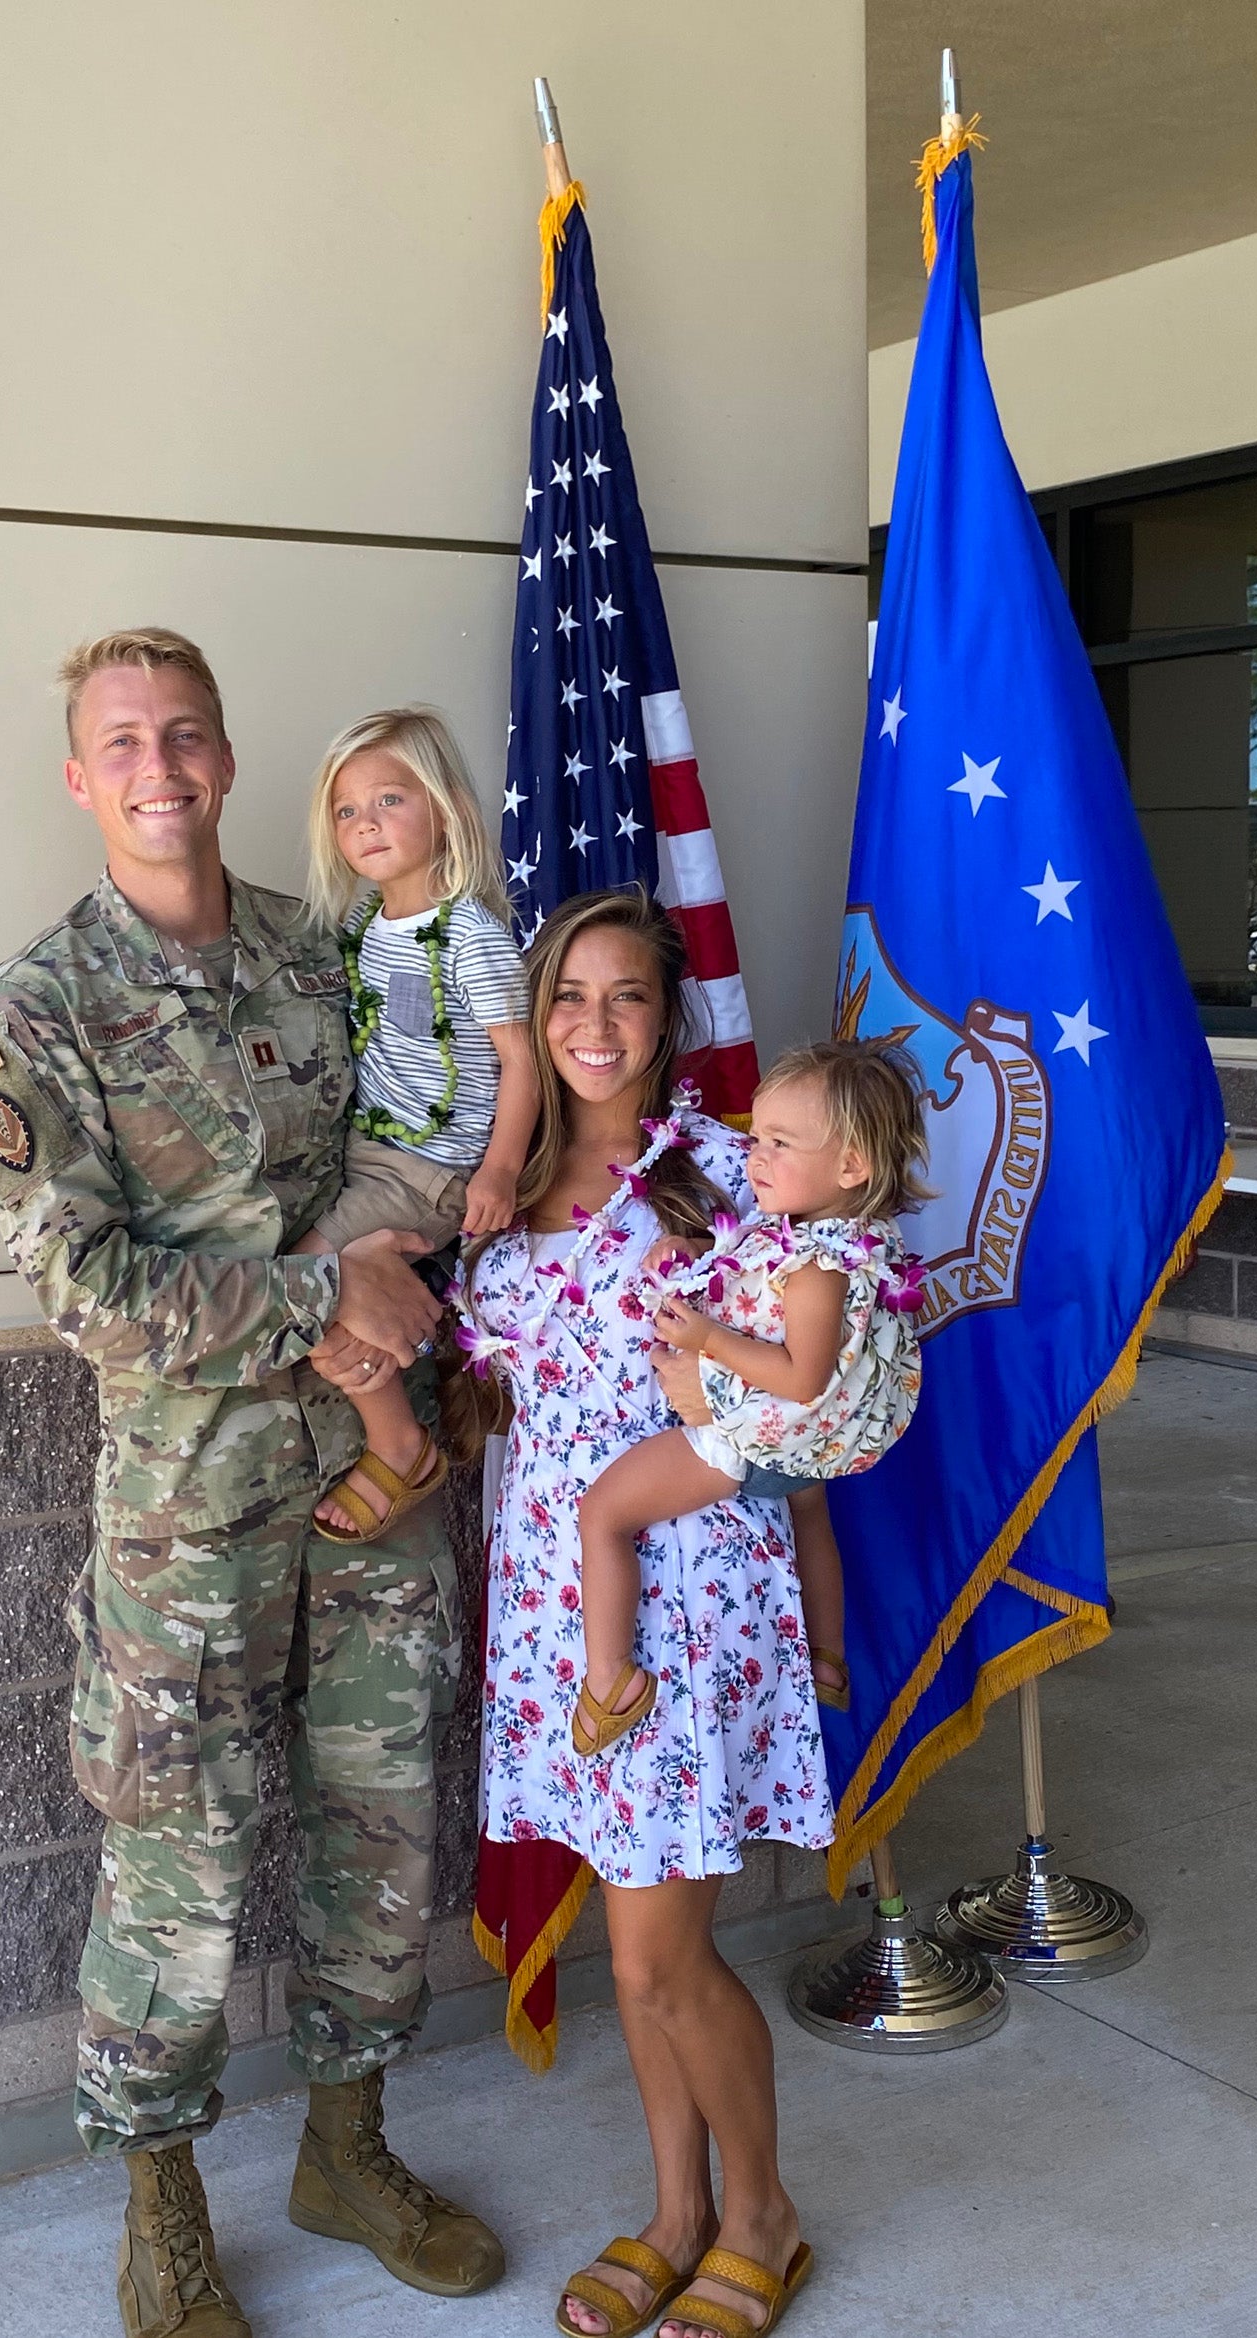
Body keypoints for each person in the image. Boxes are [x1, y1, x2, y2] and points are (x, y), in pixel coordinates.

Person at [0, 628, 503, 2338]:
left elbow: (401, 1164)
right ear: (80, 775)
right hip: (192, 1513)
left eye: (185, 732)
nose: (161, 766)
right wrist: (316, 1297)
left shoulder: (316, 947)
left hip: (375, 1476)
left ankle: (349, 2146)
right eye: (122, 740)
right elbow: (84, 1287)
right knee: (178, 1862)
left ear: (227, 753)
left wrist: (408, 1299)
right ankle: (161, 2208)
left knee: (381, 1825)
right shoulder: (31, 1008)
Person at [456, 889, 830, 2338]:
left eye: (626, 997)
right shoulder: (494, 1191)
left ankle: (762, 2217)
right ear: (534, 1021)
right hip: (559, 1597)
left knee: (658, 1952)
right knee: (630, 1947)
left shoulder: (734, 1177)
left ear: (669, 1021)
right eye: (567, 997)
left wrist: (819, 1576)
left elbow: (823, 1378)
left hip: (690, 1596)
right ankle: (677, 2211)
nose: (595, 1025)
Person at [573, 1039, 928, 1751]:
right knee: (809, 1513)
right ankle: (826, 1657)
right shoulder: (823, 1236)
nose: (754, 1156)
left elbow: (801, 1375)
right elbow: (752, 1270)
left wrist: (706, 1340)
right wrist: (697, 1254)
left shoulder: (820, 1269)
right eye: (757, 1137)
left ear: (851, 1164)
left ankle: (610, 1679)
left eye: (778, 1142)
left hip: (746, 1438)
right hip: (803, 1452)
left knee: (603, 1513)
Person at [296, 706, 539, 1542]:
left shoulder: (470, 936)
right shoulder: (365, 928)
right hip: (369, 1152)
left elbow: (522, 1059)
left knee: (306, 1279)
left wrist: (500, 1168)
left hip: (429, 1169)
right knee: (322, 1282)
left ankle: (400, 1445)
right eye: (347, 810)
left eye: (390, 800)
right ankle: (390, 1358)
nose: (366, 824)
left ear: (446, 809)